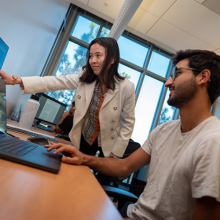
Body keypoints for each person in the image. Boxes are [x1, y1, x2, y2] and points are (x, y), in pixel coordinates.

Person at [44, 49, 220, 220]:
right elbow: (124, 167)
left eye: (178, 73)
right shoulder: (164, 130)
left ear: (203, 77)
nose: (168, 82)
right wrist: (83, 158)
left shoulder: (213, 140)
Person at [0, 37, 135, 163]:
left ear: (112, 59)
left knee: (102, 180)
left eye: (98, 55)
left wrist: (118, 151)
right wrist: (16, 80)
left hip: (110, 143)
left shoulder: (127, 87)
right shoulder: (85, 77)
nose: (93, 60)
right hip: (85, 138)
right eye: (90, 56)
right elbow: (55, 82)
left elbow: (128, 122)